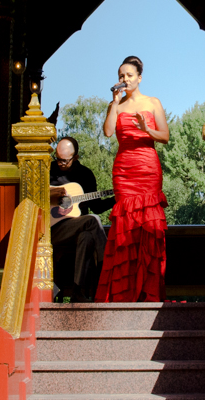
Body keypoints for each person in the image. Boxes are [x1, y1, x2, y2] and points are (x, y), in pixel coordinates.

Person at [95, 56, 170, 302]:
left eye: (129, 75)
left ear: (139, 77)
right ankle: (122, 294)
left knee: (150, 226)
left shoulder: (153, 102)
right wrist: (113, 105)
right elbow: (107, 132)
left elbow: (165, 137)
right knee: (125, 229)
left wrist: (145, 129)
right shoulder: (115, 105)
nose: (124, 79)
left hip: (147, 169)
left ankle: (148, 292)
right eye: (121, 76)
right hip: (124, 171)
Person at [49, 136, 113, 302]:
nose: (60, 164)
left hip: (76, 229)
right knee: (92, 220)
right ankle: (107, 268)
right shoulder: (48, 171)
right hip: (51, 229)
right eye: (57, 159)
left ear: (75, 157)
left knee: (87, 236)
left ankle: (77, 292)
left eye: (64, 161)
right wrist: (50, 193)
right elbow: (31, 195)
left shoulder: (85, 175)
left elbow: (97, 207)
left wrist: (116, 198)